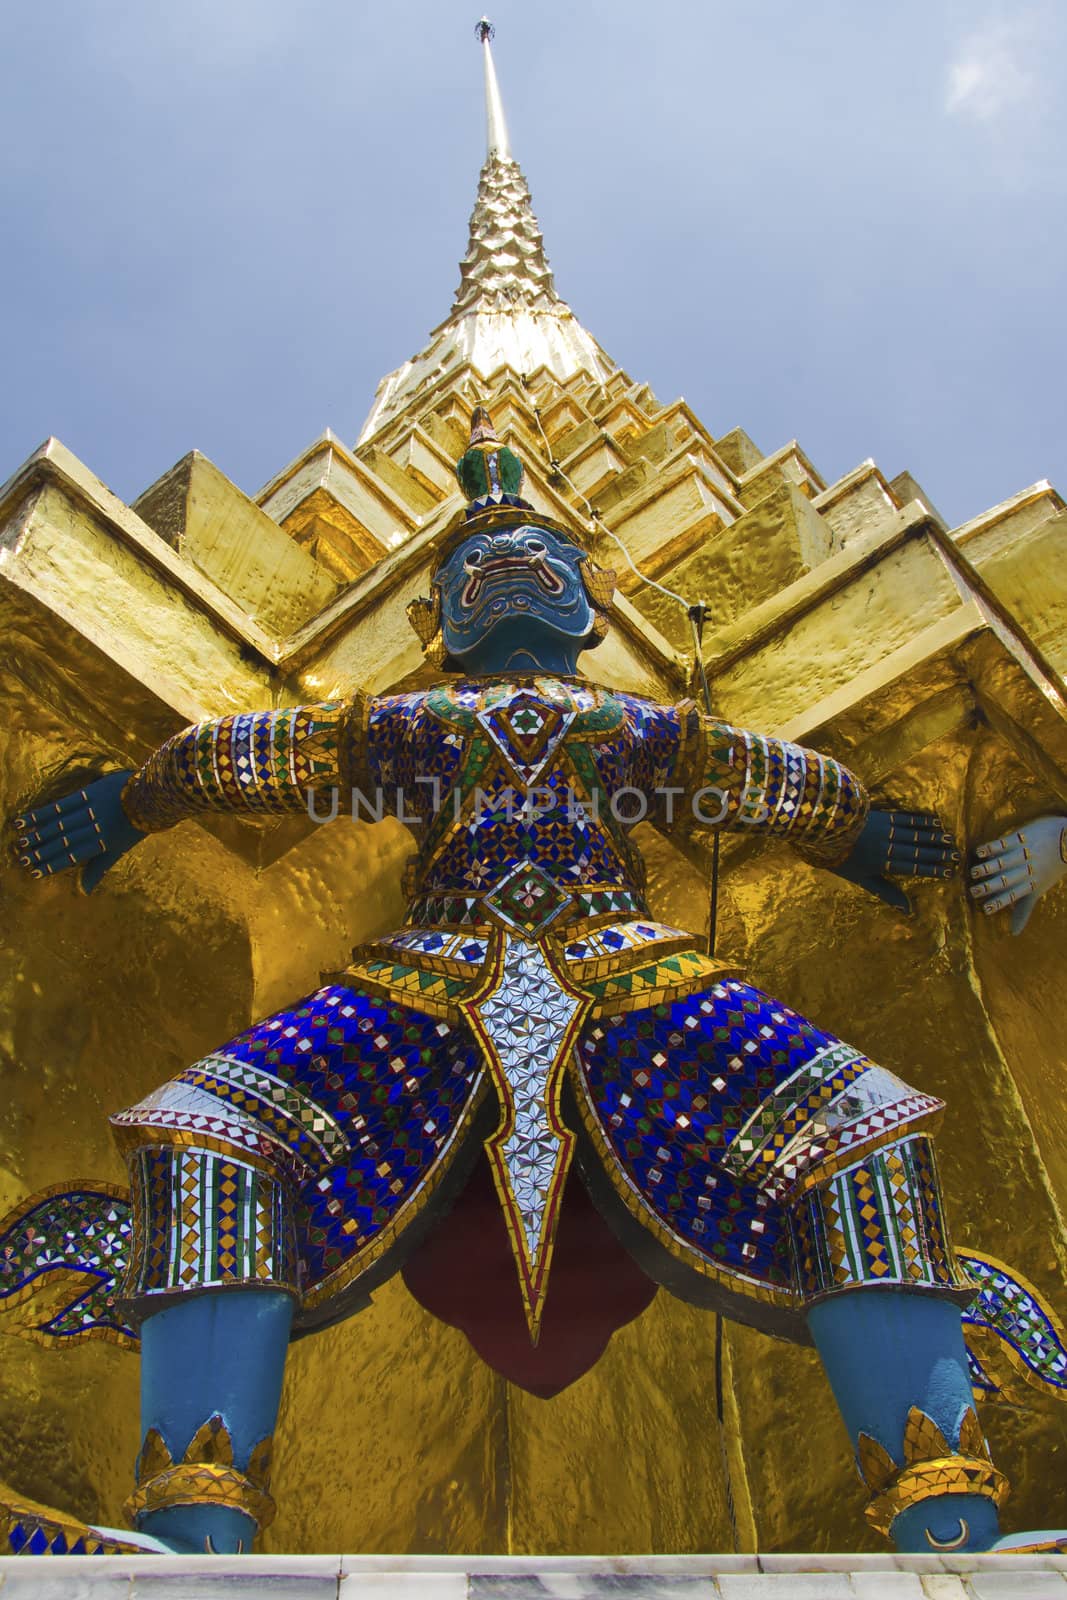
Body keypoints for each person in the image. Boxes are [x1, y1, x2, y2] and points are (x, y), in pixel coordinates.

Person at [7, 411, 1067, 1556]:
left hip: (631, 965)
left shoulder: (633, 727)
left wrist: (867, 839)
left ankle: (949, 1522)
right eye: (470, 564)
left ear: (593, 606)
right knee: (206, 1132)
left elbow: (763, 776)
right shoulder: (416, 724)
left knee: (863, 1132)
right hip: (430, 972)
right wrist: (128, 804)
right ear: (433, 622)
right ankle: (191, 1531)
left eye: (544, 557)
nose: (506, 565)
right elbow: (264, 752)